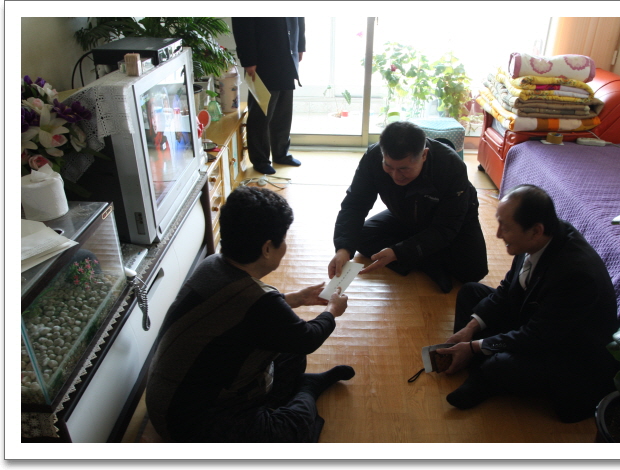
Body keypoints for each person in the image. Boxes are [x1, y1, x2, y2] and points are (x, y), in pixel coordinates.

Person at [146, 186, 354, 443]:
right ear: (267, 248)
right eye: (283, 239)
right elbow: (308, 338)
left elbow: (245, 315)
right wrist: (332, 310)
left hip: (173, 394)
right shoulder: (259, 300)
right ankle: (307, 389)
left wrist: (296, 299)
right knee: (294, 429)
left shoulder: (212, 264)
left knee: (289, 348)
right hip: (188, 422)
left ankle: (279, 399)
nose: (285, 245)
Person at [436, 184, 620, 423]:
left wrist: (474, 346)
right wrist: (470, 329)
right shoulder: (539, 238)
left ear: (535, 231)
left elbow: (538, 336)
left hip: (568, 352)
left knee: (500, 365)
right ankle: (476, 355)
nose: (498, 234)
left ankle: (480, 368)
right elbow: (507, 289)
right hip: (537, 317)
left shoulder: (577, 274)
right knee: (470, 292)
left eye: (506, 227)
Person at [328, 121, 488, 293]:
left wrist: (399, 252)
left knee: (473, 271)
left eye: (404, 169)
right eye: (388, 166)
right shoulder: (373, 157)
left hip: (449, 219)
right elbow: (355, 204)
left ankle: (419, 253)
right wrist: (343, 249)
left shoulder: (451, 166)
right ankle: (429, 263)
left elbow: (446, 227)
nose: (396, 176)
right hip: (405, 214)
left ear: (424, 155)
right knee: (359, 237)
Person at [232, 17, 305, 175]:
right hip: (262, 57)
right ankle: (260, 160)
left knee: (283, 110)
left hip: (288, 52)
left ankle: (281, 153)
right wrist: (248, 59)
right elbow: (242, 23)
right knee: (261, 113)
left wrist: (300, 45)